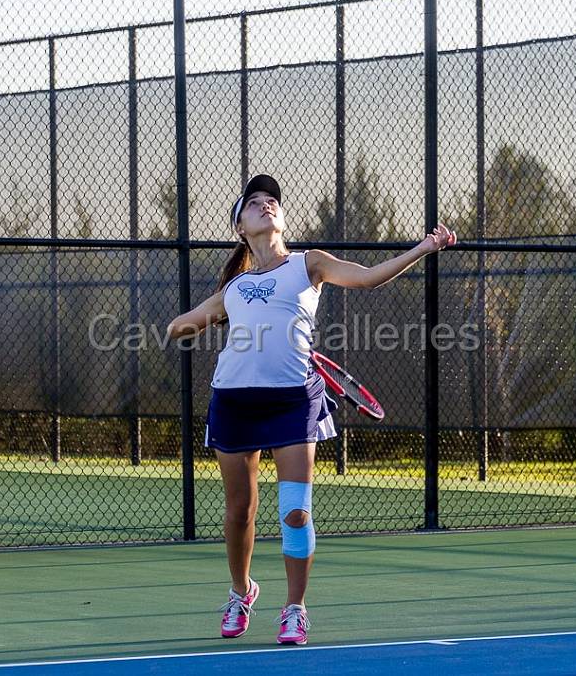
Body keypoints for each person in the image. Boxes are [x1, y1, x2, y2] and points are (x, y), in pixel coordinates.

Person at [166, 174, 456, 645]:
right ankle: (242, 592)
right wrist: (195, 325)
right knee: (239, 510)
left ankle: (295, 607)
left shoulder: (309, 264)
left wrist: (422, 249)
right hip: (234, 400)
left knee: (295, 511)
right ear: (241, 227)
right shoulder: (235, 289)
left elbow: (366, 278)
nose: (267, 205)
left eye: (273, 201)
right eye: (255, 202)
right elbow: (179, 326)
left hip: (292, 402)